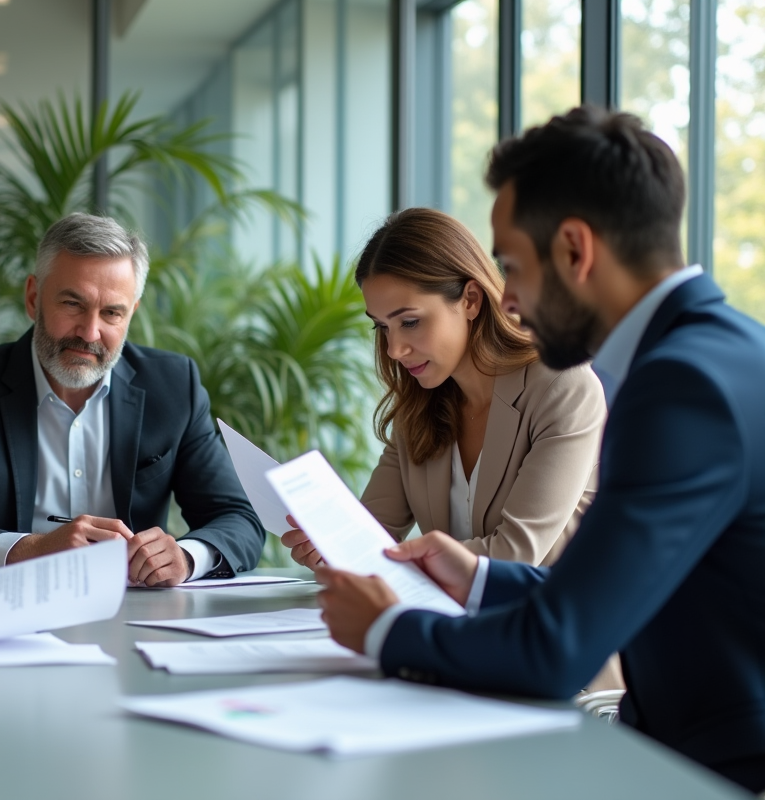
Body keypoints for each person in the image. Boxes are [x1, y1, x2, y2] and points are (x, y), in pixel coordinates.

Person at [317, 106, 765, 793]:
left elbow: (556, 650)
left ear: (575, 251)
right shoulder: (723, 352)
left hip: (710, 772)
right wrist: (478, 578)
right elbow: (619, 585)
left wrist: (386, 630)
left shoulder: (679, 386)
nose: (511, 301)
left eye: (511, 266)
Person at [0, 212, 265, 587]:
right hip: (9, 607)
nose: (89, 332)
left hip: (137, 613)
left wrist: (185, 557)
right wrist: (32, 549)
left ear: (130, 314)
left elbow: (237, 518)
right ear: (34, 298)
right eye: (73, 305)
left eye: (111, 313)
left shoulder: (173, 385)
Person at [281, 208, 604, 569]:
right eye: (382, 327)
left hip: (545, 620)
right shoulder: (419, 403)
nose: (394, 349)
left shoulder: (563, 387)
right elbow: (371, 534)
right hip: (450, 620)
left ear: (470, 300)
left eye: (411, 322)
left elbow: (515, 556)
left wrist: (383, 563)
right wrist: (332, 550)